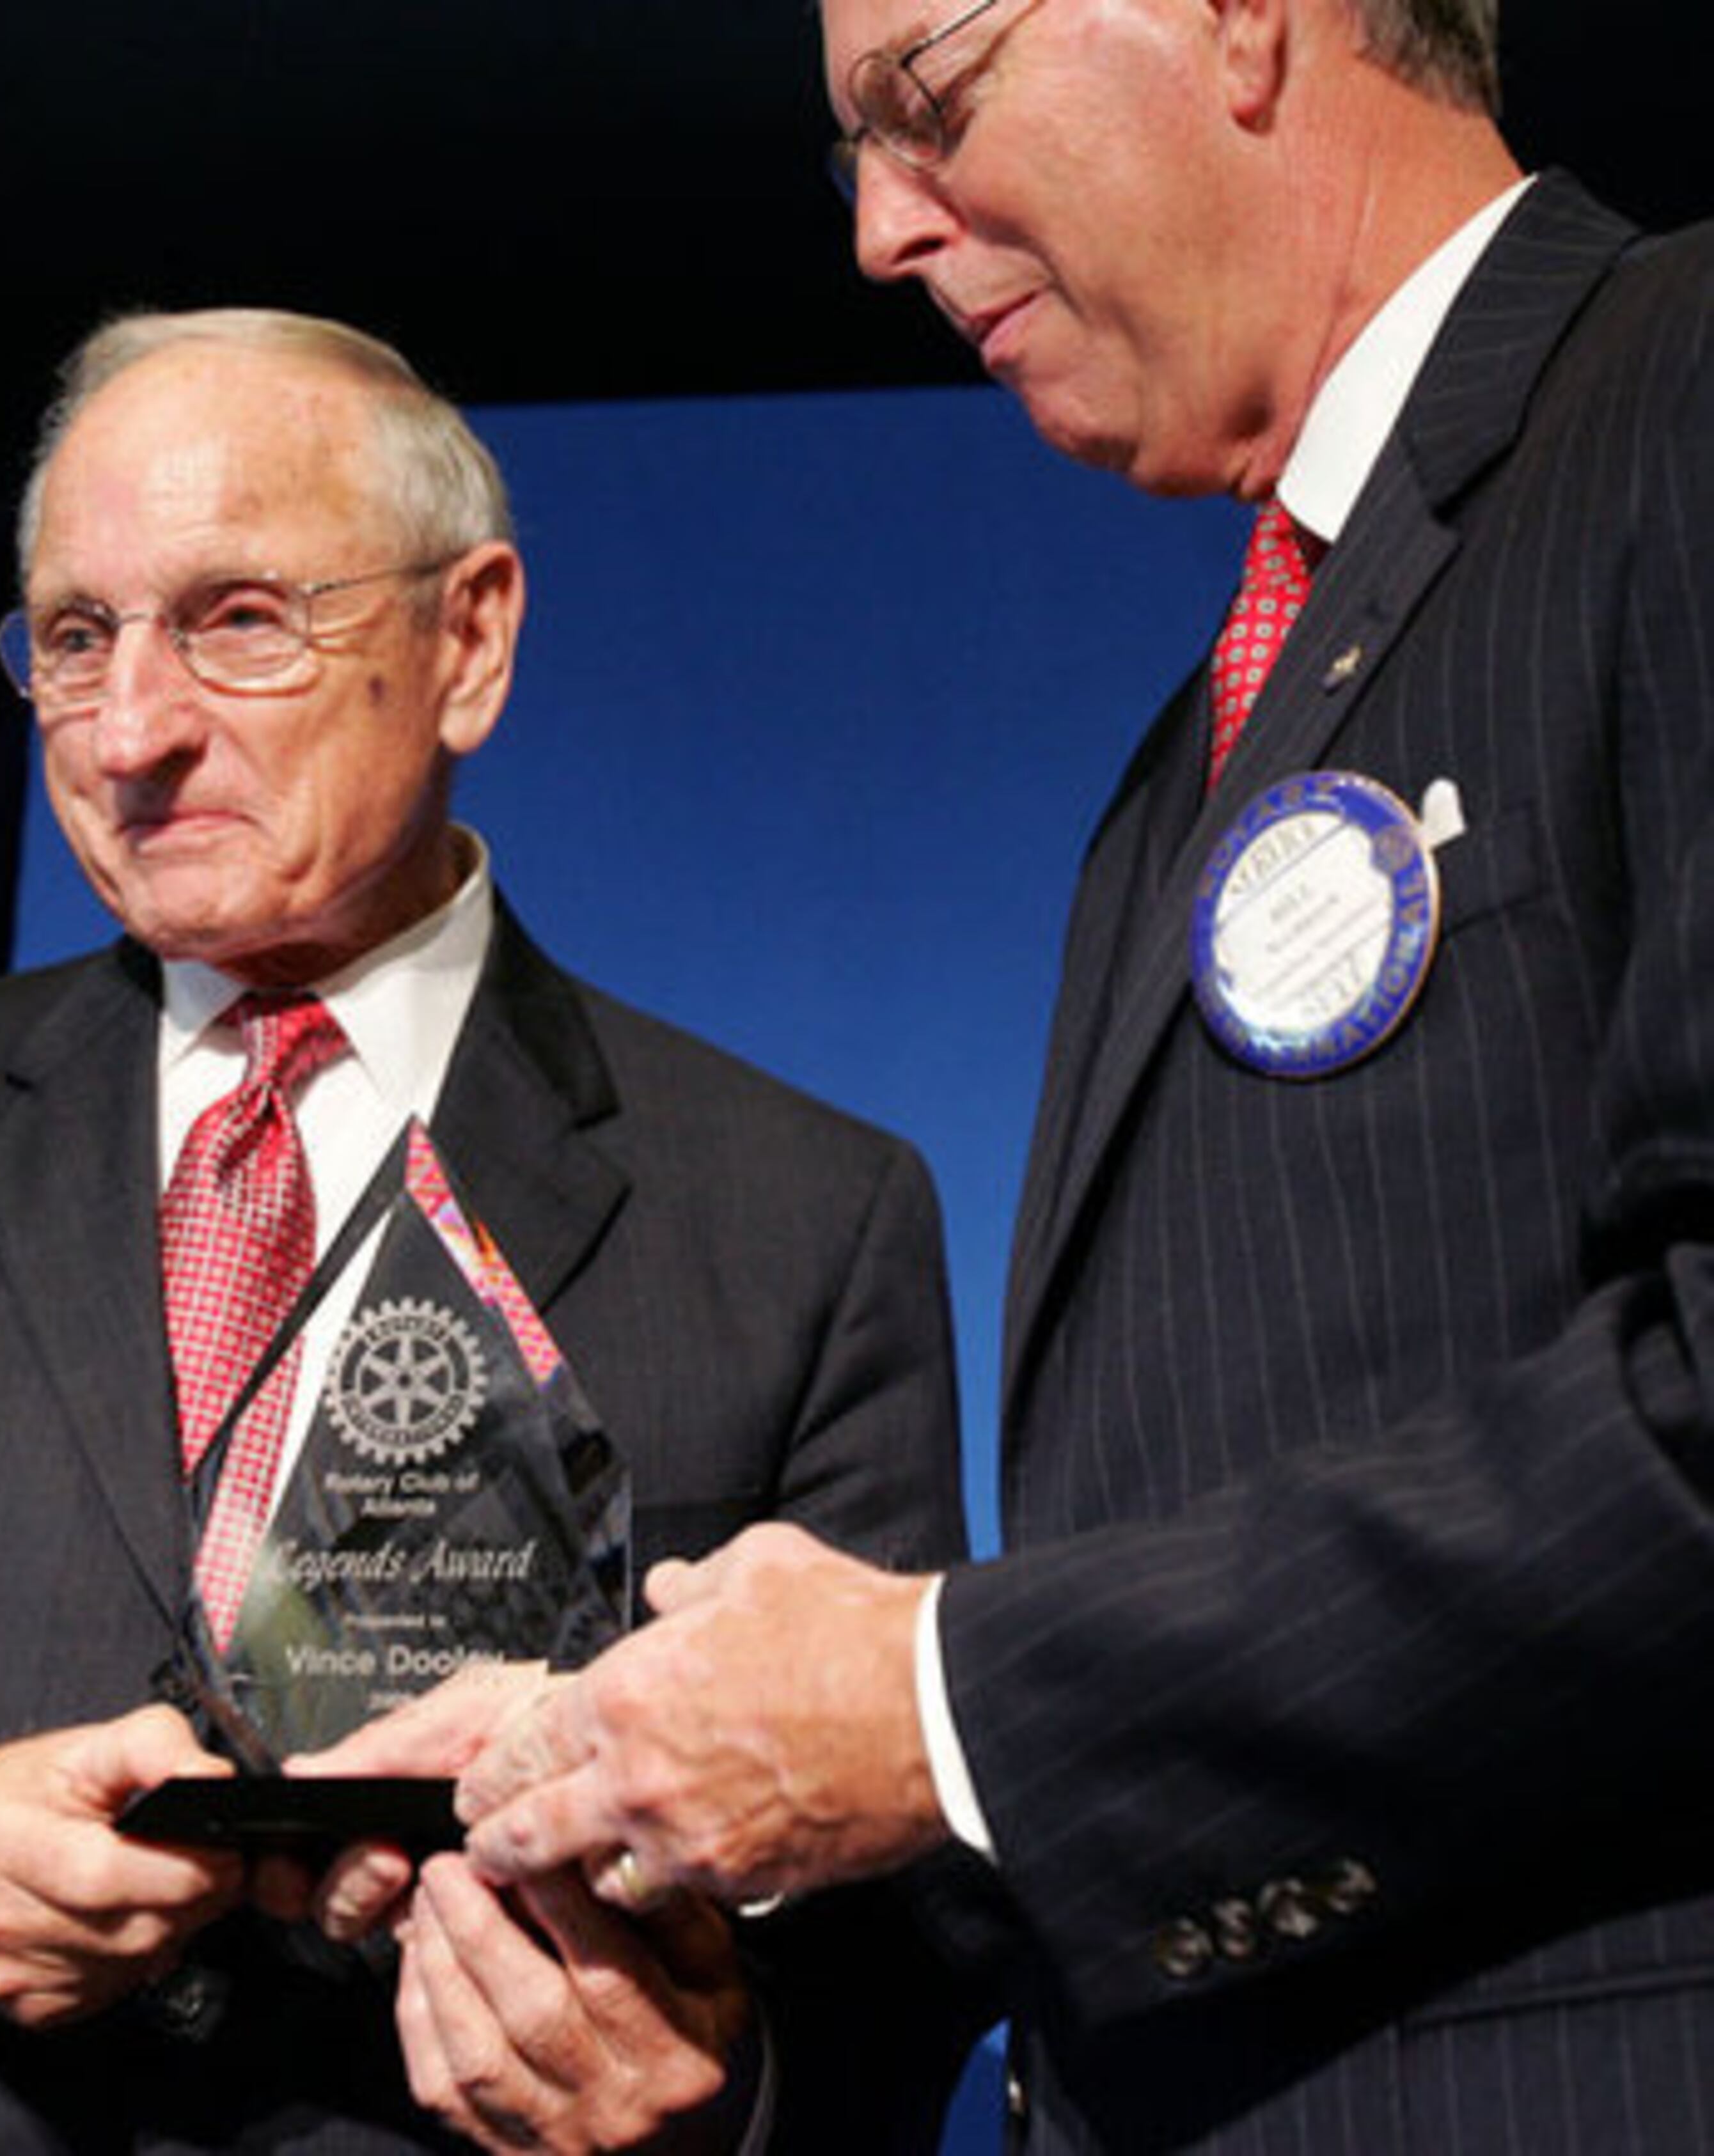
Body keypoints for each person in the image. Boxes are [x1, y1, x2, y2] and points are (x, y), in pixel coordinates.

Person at [349, 2, 1714, 2149]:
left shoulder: (1685, 393)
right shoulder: (1184, 777)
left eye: (927, 102)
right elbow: (1228, 1630)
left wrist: (930, 1695)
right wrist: (661, 1778)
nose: (884, 229)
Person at [0, 308, 982, 2153]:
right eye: (75, 640)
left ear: (467, 638)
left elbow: (908, 1925)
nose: (133, 730)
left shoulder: (801, 1213)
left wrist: (714, 2098)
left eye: (239, 619)